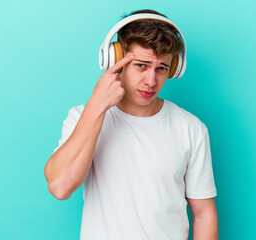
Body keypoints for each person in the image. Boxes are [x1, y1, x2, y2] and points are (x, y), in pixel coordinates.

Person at [44, 9, 218, 240]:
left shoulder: (191, 129)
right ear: (116, 60)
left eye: (161, 68)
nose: (151, 81)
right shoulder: (82, 117)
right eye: (141, 65)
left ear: (173, 69)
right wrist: (97, 106)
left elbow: (204, 214)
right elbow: (60, 186)